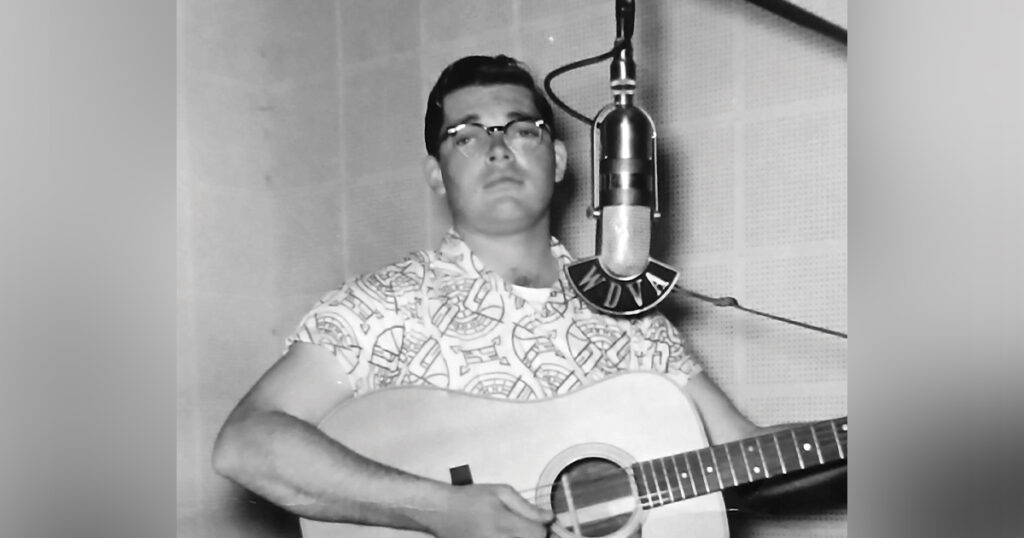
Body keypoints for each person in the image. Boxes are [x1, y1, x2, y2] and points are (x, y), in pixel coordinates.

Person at [212, 55, 844, 538]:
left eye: (522, 129)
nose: (496, 148)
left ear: (562, 160)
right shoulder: (378, 307)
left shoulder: (632, 316)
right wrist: (439, 509)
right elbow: (247, 445)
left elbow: (744, 455)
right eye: (465, 134)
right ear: (437, 175)